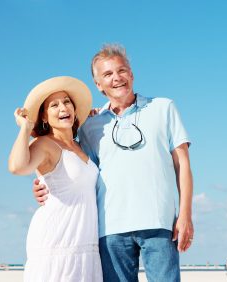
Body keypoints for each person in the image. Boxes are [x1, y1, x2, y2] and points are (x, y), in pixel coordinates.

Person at [33, 44, 194, 281]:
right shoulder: (90, 125)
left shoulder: (164, 108)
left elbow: (183, 166)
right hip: (110, 229)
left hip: (159, 222)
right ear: (98, 85)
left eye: (122, 71)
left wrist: (185, 215)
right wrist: (43, 183)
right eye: (107, 74)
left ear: (131, 74)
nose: (116, 78)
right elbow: (72, 162)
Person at [8, 76, 103, 281]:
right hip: (57, 242)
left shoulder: (81, 145)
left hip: (85, 245)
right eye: (54, 104)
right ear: (44, 116)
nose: (63, 107)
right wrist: (25, 128)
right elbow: (17, 167)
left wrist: (95, 117)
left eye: (67, 101)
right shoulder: (44, 144)